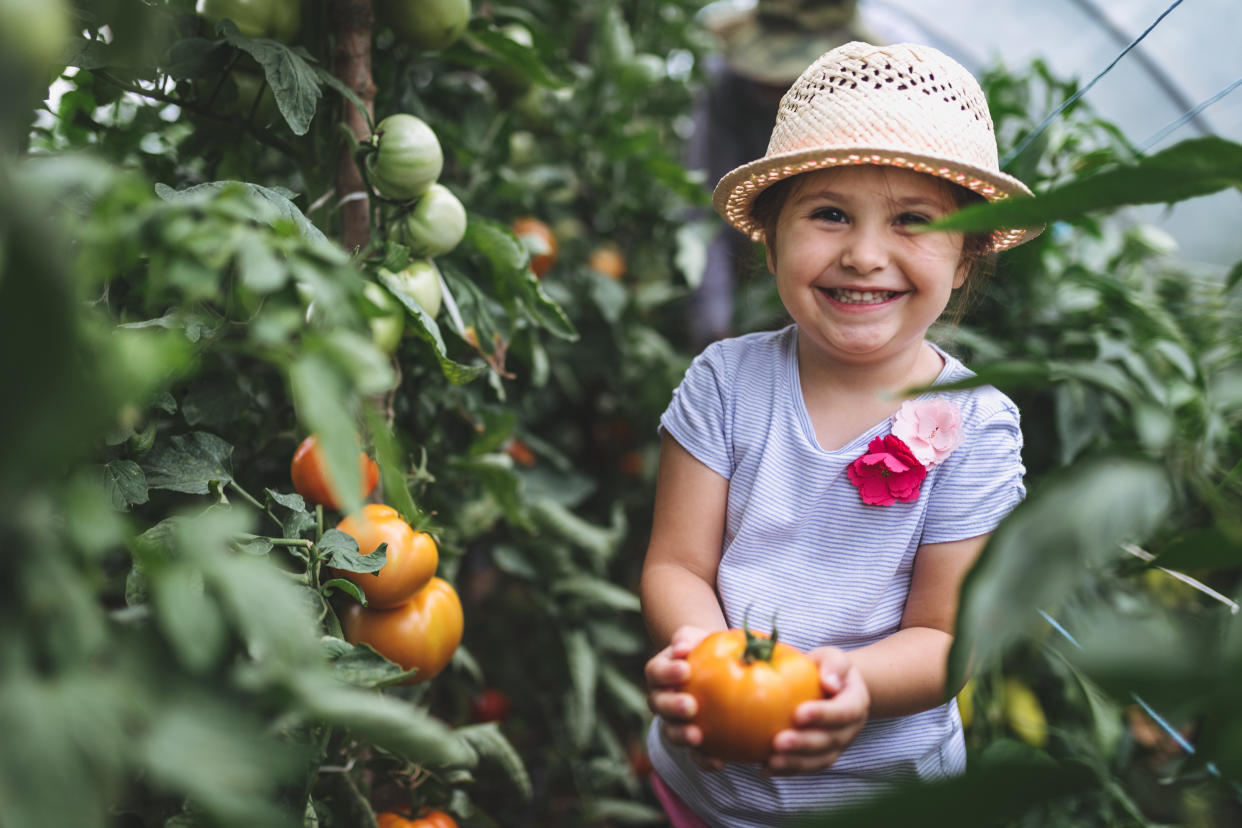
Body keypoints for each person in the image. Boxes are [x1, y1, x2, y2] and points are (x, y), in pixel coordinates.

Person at [641, 40, 1043, 827]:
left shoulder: (978, 424)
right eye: (828, 213)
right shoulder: (725, 384)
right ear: (769, 233)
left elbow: (943, 634)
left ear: (965, 258)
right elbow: (677, 565)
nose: (864, 256)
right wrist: (705, 662)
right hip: (710, 786)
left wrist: (851, 687)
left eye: (914, 221)